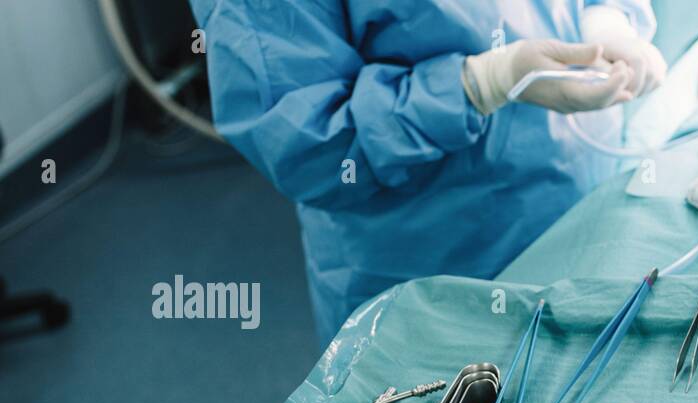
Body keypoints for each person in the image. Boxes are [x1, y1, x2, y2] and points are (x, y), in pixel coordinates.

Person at [190, 0, 664, 345]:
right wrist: (481, 84)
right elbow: (309, 149)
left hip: (582, 195)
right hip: (433, 259)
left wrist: (608, 18)